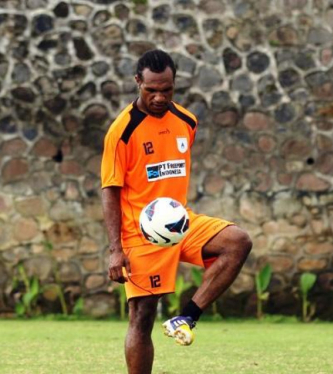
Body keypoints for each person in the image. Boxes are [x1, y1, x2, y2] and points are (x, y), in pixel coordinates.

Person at [100, 49, 252, 374]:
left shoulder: (186, 121)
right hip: (140, 234)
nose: (158, 97)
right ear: (137, 82)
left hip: (180, 222)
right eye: (151, 90)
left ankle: (187, 317)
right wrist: (116, 250)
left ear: (174, 83)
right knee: (142, 318)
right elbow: (110, 191)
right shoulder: (121, 132)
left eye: (166, 90)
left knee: (237, 241)